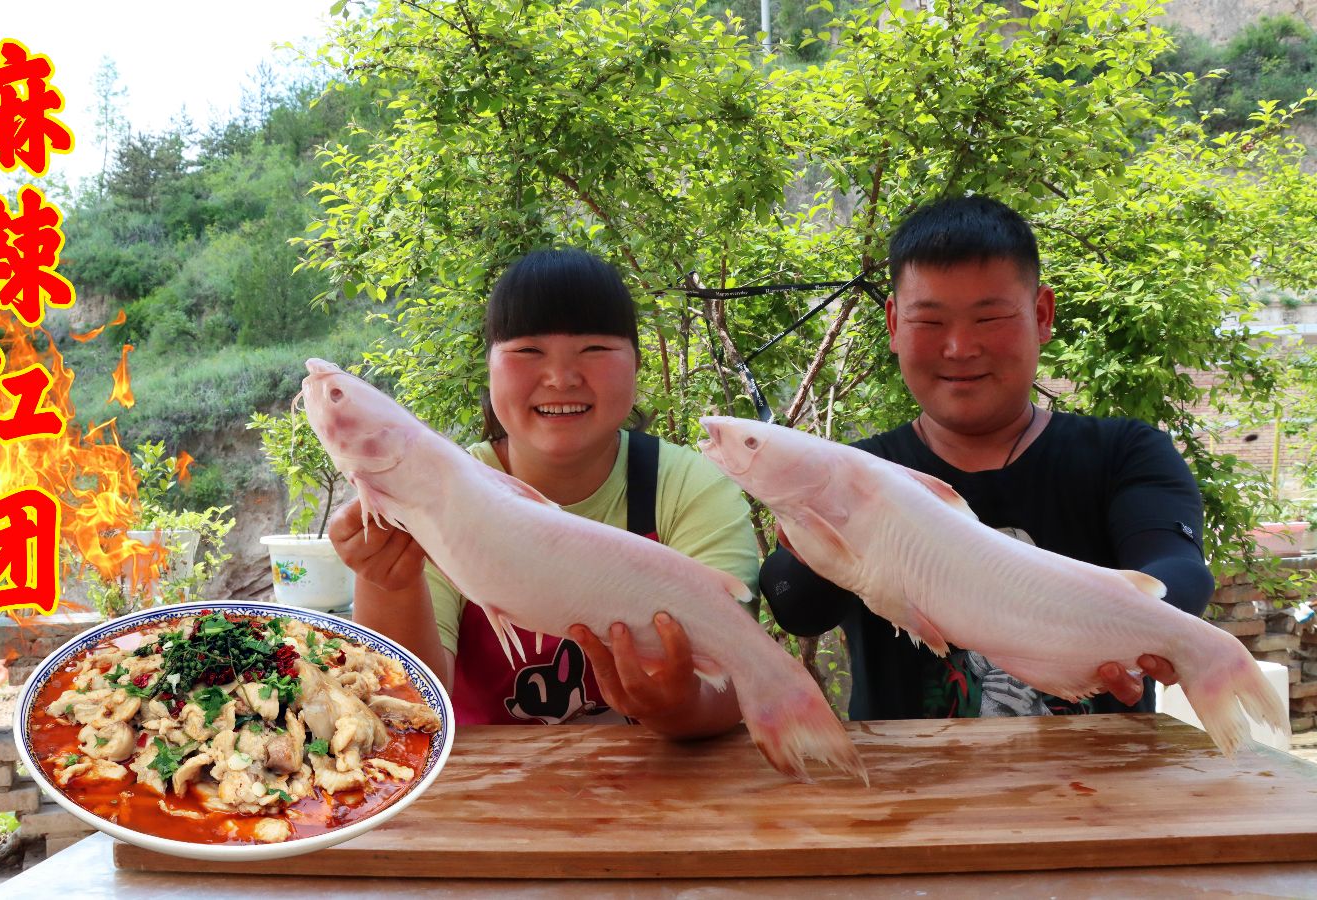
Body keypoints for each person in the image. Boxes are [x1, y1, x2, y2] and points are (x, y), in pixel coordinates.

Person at [761, 195, 1215, 720]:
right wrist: (810, 535)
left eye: (990, 317)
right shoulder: (863, 475)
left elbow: (1177, 566)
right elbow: (796, 606)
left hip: (1096, 789)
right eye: (930, 322)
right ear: (892, 325)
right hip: (908, 792)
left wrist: (1152, 631)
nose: (959, 347)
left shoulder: (1123, 454)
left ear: (1041, 315)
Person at [329, 247, 760, 737]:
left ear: (637, 364)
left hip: (661, 791)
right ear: (488, 367)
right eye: (528, 351)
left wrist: (679, 709)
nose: (561, 378)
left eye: (594, 350)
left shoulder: (687, 489)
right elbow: (405, 711)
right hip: (483, 797)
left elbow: (742, 680)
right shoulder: (433, 492)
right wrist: (390, 582)